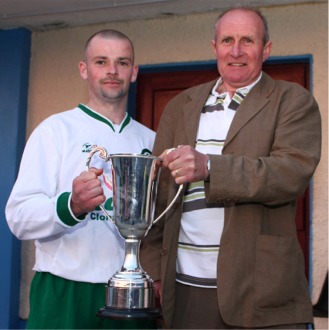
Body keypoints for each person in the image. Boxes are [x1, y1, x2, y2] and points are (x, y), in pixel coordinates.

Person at [140, 6, 321, 330]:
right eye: (227, 40)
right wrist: (153, 267)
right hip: (183, 289)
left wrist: (209, 167)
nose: (236, 51)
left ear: (266, 49)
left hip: (261, 292)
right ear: (215, 47)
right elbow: (158, 192)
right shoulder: (180, 106)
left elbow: (289, 173)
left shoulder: (292, 100)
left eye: (247, 40)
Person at [6, 29, 156, 329]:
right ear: (84, 69)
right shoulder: (55, 131)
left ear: (134, 72)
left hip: (132, 294)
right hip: (64, 290)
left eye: (122, 62)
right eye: (101, 61)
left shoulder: (151, 141)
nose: (112, 71)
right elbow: (18, 218)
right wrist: (71, 206)